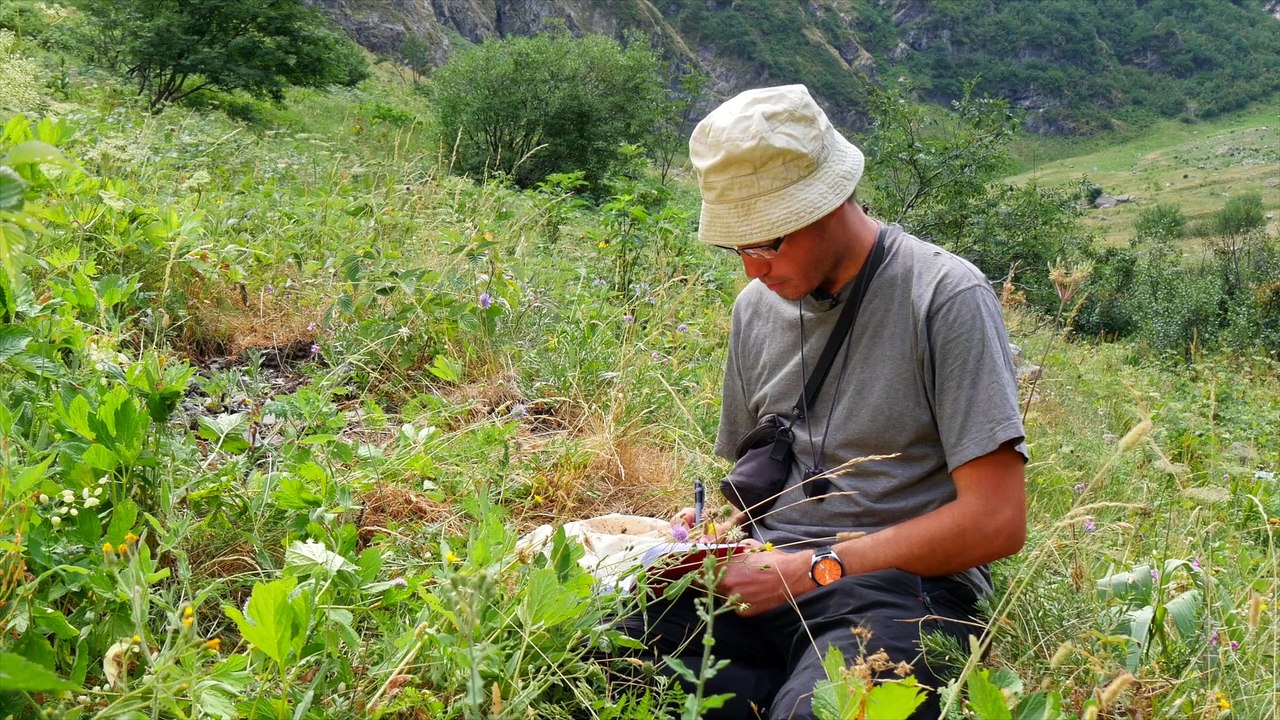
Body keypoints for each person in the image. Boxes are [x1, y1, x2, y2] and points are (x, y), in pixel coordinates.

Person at [613, 85, 1027, 719]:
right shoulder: (755, 310)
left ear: (828, 201)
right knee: (599, 655)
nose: (754, 270)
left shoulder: (943, 296)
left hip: (902, 593)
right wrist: (706, 553)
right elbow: (767, 496)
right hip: (767, 585)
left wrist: (818, 568)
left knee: (825, 711)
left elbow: (998, 520)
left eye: (768, 243)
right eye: (737, 249)